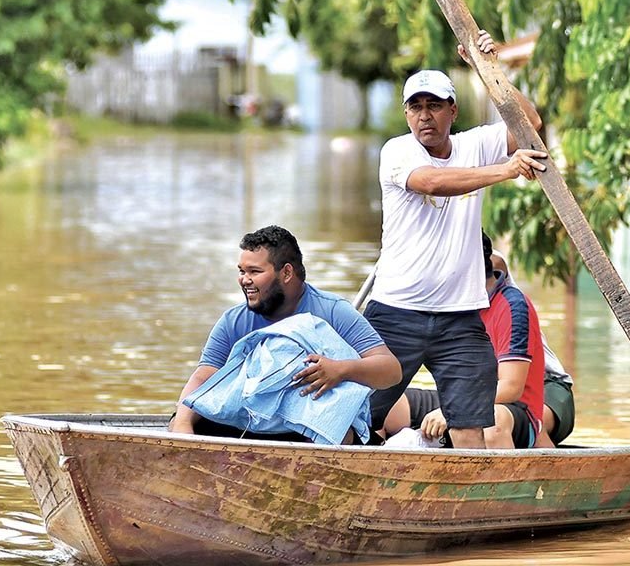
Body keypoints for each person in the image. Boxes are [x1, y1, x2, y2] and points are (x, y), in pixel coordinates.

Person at [365, 31, 548, 449]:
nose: (424, 116)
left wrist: (488, 70)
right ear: (406, 115)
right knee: (356, 414)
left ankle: (476, 487)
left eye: (434, 106)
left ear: (453, 110)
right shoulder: (397, 152)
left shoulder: (473, 144)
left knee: (469, 426)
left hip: (460, 317)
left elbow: (530, 125)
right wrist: (507, 170)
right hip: (397, 310)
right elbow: (432, 183)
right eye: (416, 107)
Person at [169, 225, 402, 441]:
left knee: (342, 435)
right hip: (251, 421)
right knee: (185, 419)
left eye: (254, 271)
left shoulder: (333, 310)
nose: (244, 280)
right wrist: (182, 424)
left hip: (309, 425)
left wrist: (340, 370)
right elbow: (204, 377)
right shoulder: (234, 320)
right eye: (241, 271)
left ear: (287, 273)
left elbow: (391, 370)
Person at [381, 233, 548, 449]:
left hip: (511, 407)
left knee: (492, 424)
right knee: (383, 406)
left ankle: (498, 472)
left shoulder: (512, 305)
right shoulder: (451, 303)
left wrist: (455, 410)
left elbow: (511, 387)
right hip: (460, 396)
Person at [490, 251, 576, 445]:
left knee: (533, 422)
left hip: (549, 386)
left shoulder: (511, 305)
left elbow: (495, 261)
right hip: (502, 386)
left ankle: (549, 461)